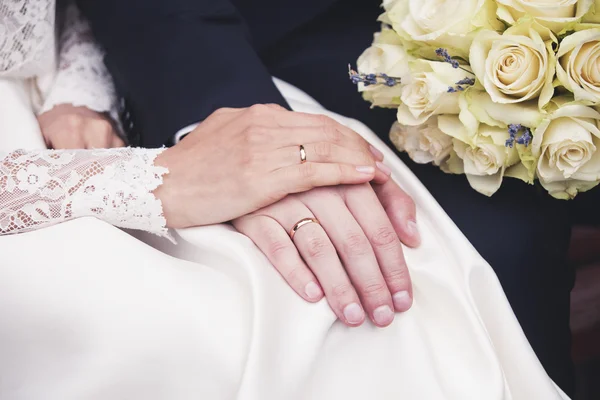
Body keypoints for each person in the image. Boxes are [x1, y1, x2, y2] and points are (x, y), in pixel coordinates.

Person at [0, 1, 570, 399]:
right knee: (162, 325)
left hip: (55, 86)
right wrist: (154, 178)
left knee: (401, 275)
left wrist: (79, 88)